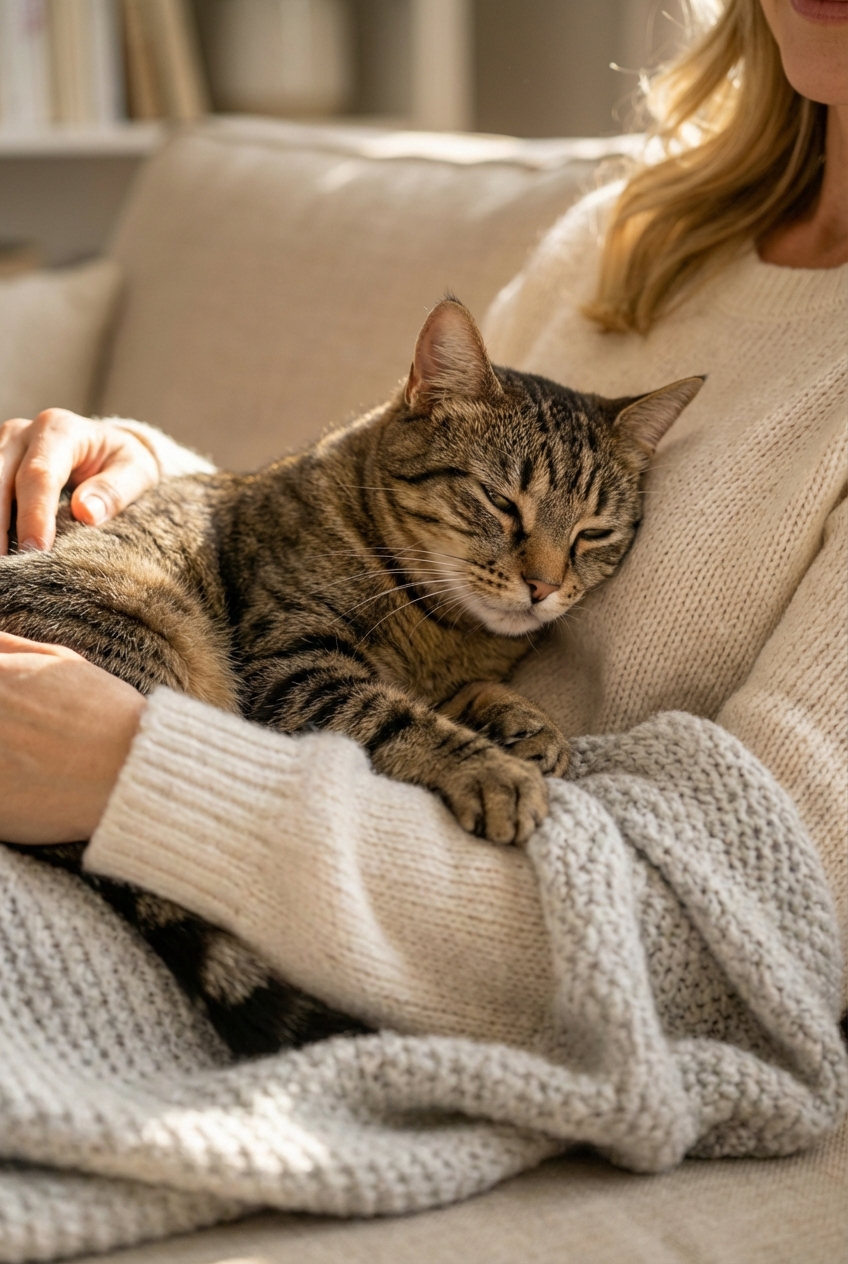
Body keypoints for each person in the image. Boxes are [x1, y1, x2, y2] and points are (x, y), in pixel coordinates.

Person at [0, 0, 845, 1042]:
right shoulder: (626, 231)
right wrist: (147, 479)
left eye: (578, 544)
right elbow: (383, 504)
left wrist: (140, 773)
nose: (542, 579)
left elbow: (730, 943)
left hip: (241, 852)